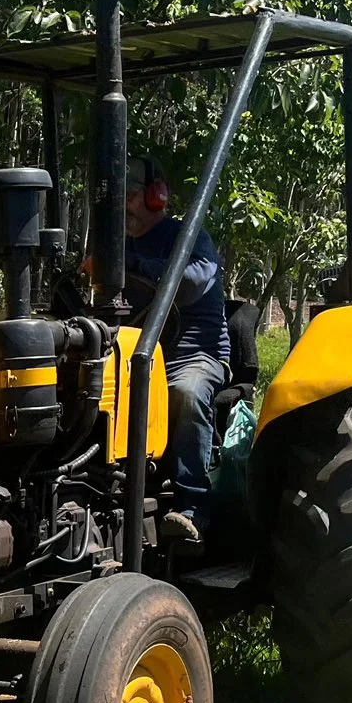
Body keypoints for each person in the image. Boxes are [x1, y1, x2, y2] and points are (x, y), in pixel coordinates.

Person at [120, 154, 227, 545]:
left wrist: (124, 263)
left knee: (185, 391)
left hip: (194, 354)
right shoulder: (116, 242)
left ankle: (193, 506)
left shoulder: (190, 237)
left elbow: (192, 280)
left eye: (131, 195)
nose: (125, 205)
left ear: (156, 197)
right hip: (138, 356)